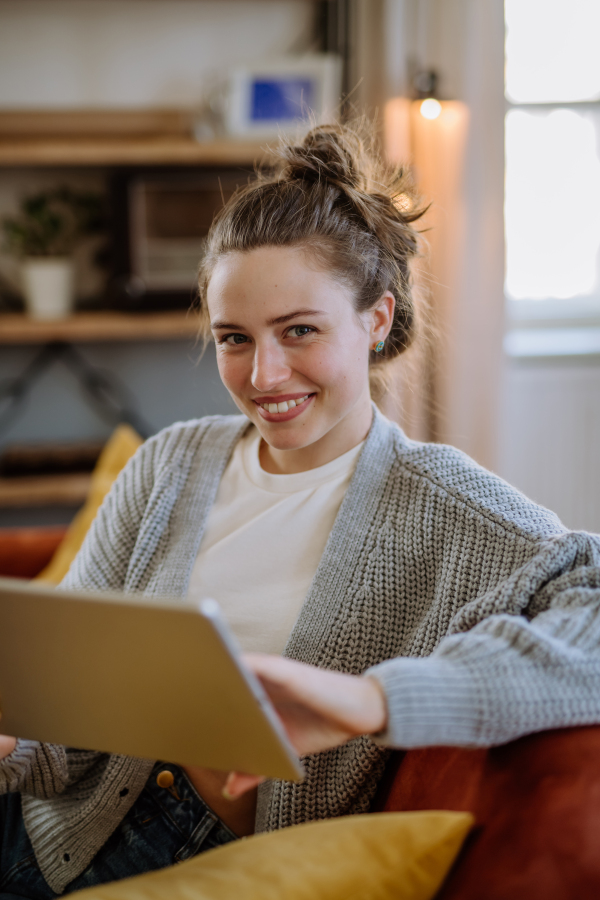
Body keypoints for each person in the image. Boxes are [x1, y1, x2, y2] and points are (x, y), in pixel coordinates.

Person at [2, 120, 600, 898]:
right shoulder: (169, 463)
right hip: (44, 830)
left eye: (299, 331)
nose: (265, 374)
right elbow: (65, 714)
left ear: (376, 320)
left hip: (205, 867)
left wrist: (375, 700)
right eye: (234, 338)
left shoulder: (450, 508)